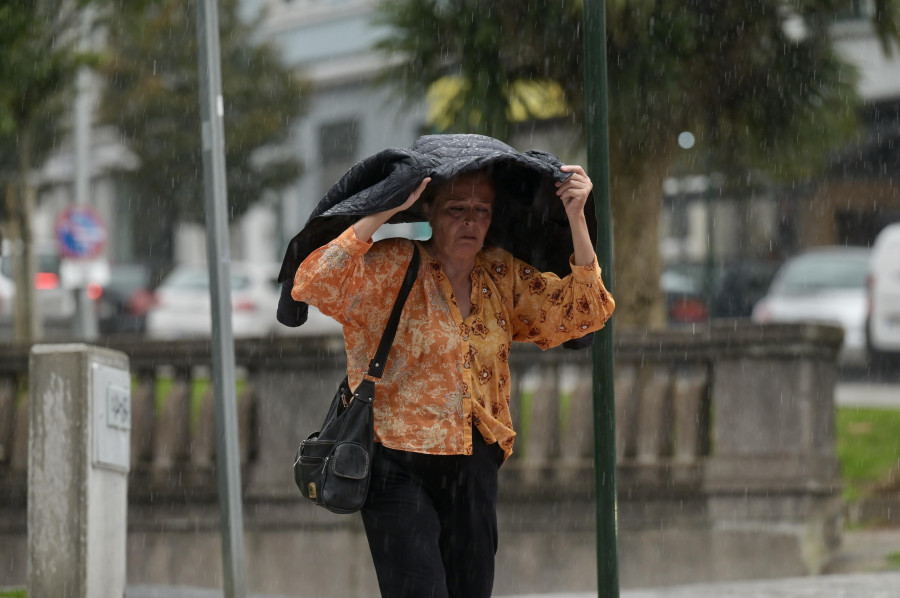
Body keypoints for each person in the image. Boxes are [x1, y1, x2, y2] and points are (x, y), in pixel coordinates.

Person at [291, 164, 615, 598]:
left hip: (474, 461)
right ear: (427, 210)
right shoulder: (394, 264)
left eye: (481, 210)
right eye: (456, 208)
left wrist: (577, 216)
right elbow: (315, 282)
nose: (470, 221)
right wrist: (382, 208)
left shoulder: (502, 275)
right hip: (395, 463)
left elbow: (585, 310)